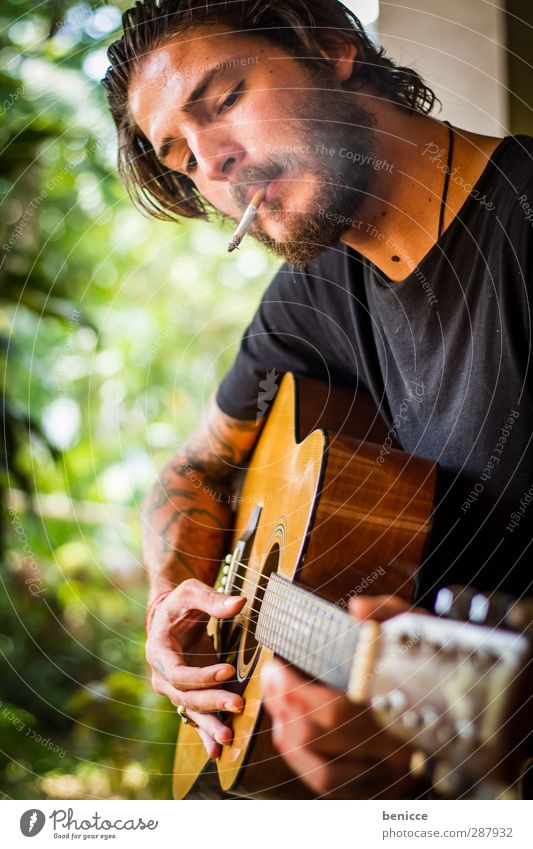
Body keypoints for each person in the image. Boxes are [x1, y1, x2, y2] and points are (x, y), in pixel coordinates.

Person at [102, 0, 533, 798]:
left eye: (224, 99)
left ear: (331, 47)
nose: (213, 163)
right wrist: (173, 599)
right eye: (180, 158)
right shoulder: (313, 295)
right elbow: (195, 467)